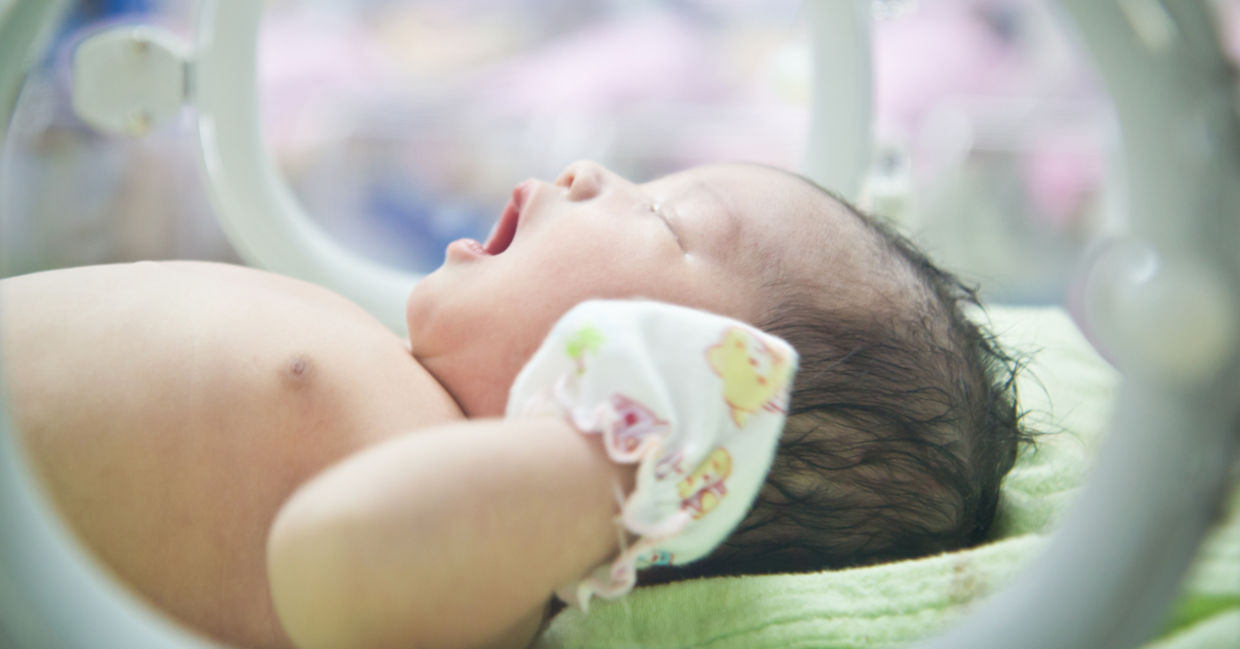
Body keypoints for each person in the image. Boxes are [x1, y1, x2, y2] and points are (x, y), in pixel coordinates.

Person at [0, 161, 1027, 649]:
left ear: (697, 424)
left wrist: (608, 464)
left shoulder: (480, 576)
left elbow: (335, 557)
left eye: (667, 219)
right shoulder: (411, 385)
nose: (591, 174)